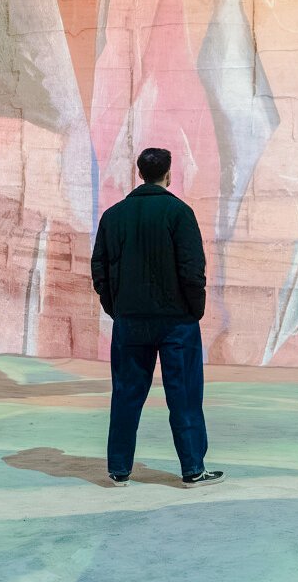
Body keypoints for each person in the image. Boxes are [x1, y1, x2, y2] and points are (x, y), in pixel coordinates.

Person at [90, 147, 223, 488]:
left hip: (130, 320)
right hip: (176, 321)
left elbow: (99, 268)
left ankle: (119, 469)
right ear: (168, 174)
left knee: (126, 393)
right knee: (185, 395)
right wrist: (194, 310)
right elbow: (193, 268)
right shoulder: (179, 213)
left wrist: (115, 307)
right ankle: (193, 468)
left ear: (140, 174)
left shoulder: (113, 216)